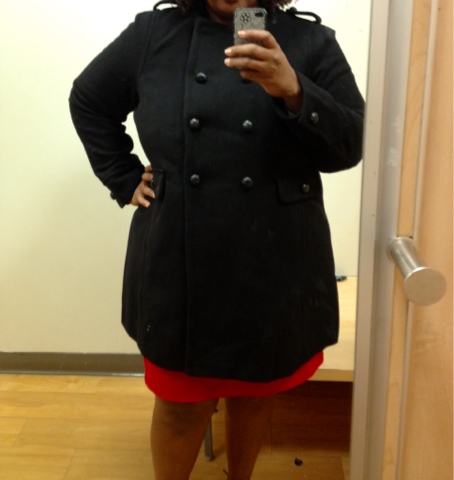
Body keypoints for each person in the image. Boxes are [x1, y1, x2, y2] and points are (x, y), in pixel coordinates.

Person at [69, 0, 364, 477]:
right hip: (180, 255)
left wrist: (294, 90)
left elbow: (352, 142)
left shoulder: (309, 41)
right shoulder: (153, 34)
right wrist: (123, 177)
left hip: (275, 256)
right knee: (180, 404)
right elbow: (88, 100)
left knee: (256, 393)